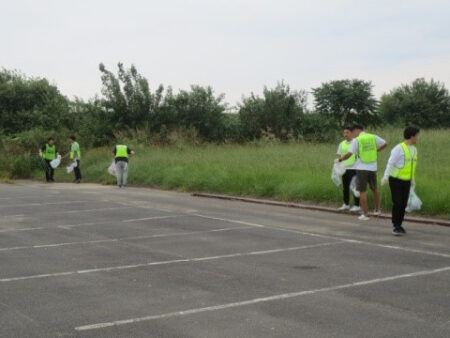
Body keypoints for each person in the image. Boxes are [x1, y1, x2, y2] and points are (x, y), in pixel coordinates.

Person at [338, 124, 387, 221]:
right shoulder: (373, 137)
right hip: (373, 167)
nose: (353, 134)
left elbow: (349, 154)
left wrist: (340, 159)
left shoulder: (357, 140)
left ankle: (365, 214)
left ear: (357, 130)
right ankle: (377, 210)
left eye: (353, 132)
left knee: (362, 191)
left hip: (361, 168)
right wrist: (377, 150)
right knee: (374, 189)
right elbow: (385, 143)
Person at [381, 126, 419, 236]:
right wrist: (385, 177)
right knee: (397, 202)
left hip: (407, 180)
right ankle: (395, 226)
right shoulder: (398, 148)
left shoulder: (414, 149)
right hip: (396, 180)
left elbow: (412, 166)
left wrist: (413, 179)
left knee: (403, 203)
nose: (418, 138)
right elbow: (390, 163)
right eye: (417, 135)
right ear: (412, 136)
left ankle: (400, 224)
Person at [336, 127, 360, 212]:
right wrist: (339, 166)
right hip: (344, 168)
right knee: (345, 187)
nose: (346, 134)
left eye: (347, 132)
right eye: (344, 133)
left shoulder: (356, 142)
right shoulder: (341, 144)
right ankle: (346, 204)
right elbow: (340, 156)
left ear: (352, 133)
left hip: (354, 168)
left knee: (354, 187)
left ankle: (357, 205)